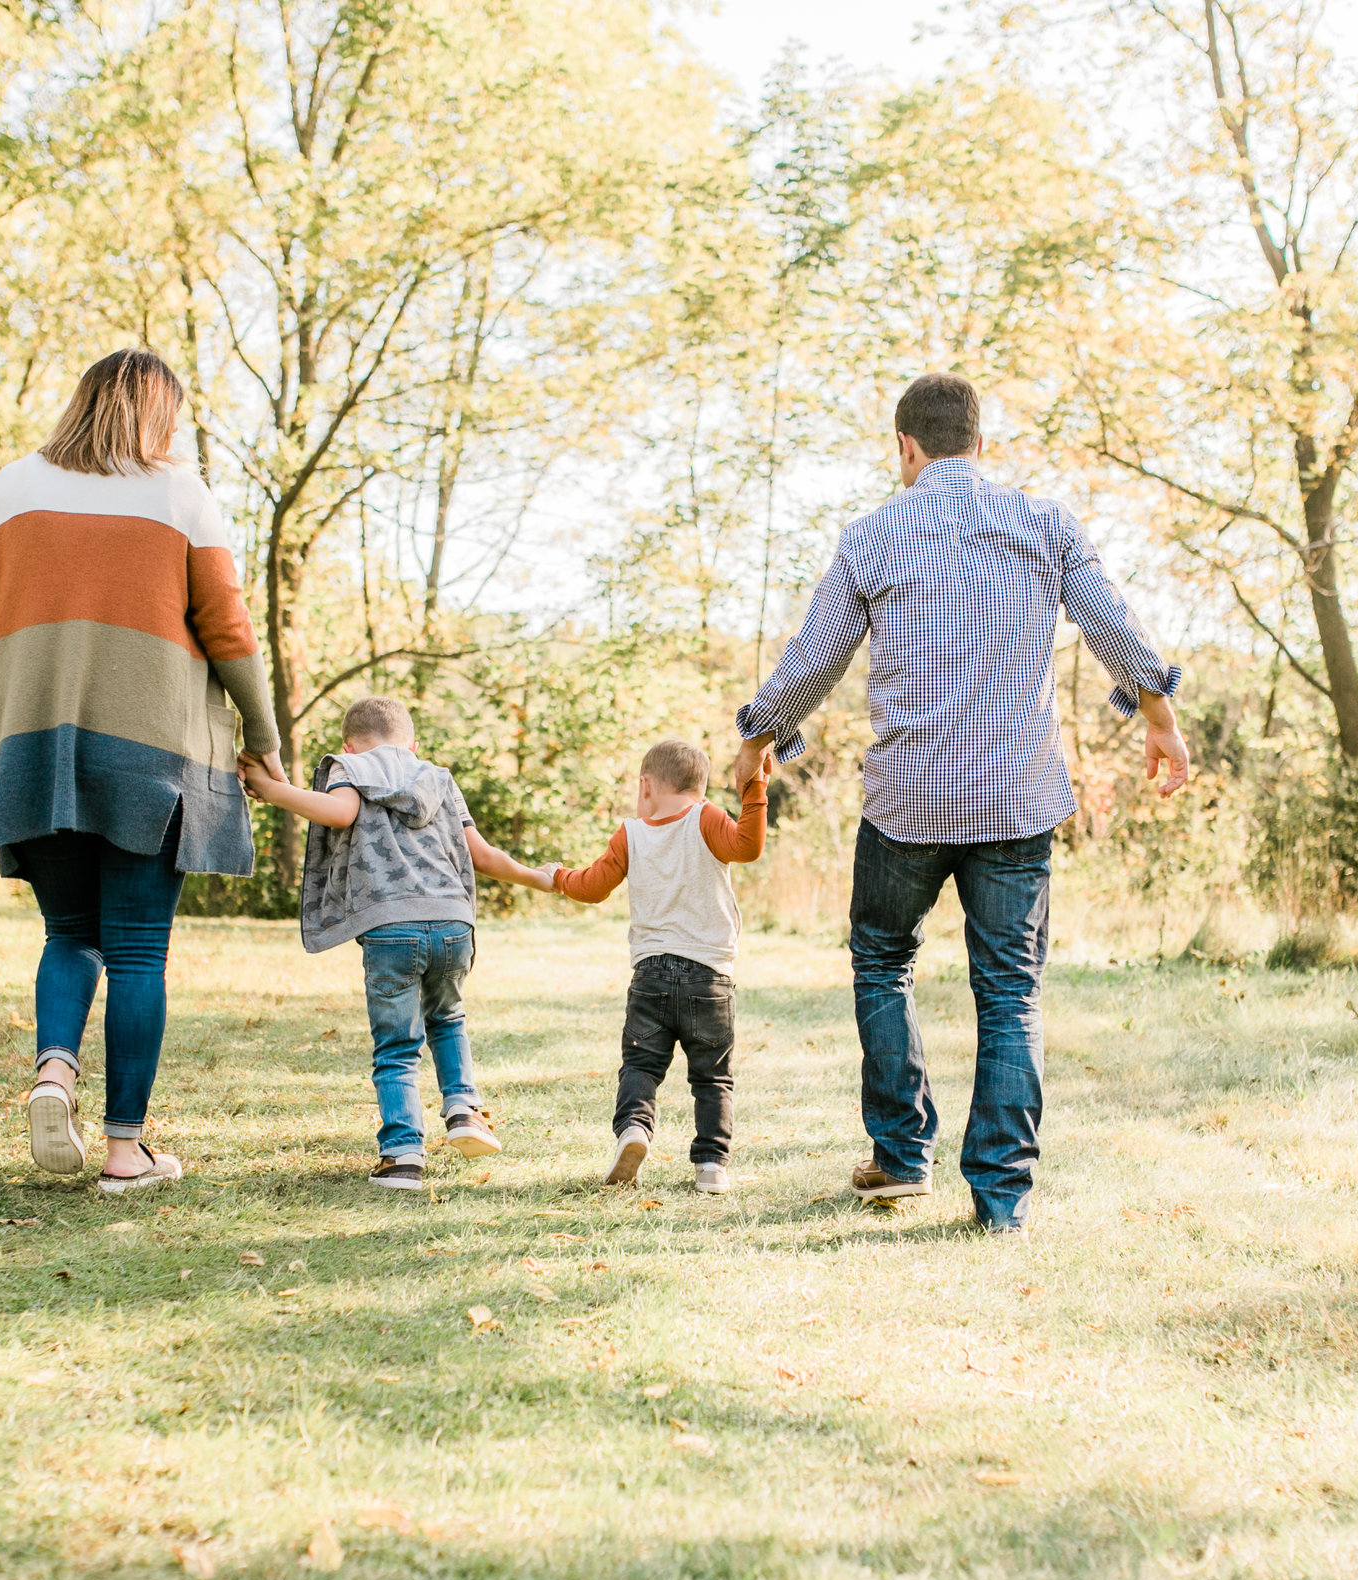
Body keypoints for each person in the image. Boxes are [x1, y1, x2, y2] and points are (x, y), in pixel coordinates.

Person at [733, 372, 1190, 1232]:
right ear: (981, 444)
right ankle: (1001, 1201)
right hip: (1016, 800)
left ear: (906, 448)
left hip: (907, 803)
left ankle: (902, 1158)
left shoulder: (872, 537)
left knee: (881, 959)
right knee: (1012, 992)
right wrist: (1158, 715)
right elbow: (1114, 625)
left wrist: (760, 734)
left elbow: (814, 660)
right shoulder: (1044, 525)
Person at [0, 348, 284, 1195]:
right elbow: (228, 630)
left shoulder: (7, 488)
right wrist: (261, 735)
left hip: (34, 750)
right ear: (159, 415)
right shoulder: (179, 495)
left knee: (67, 933)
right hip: (149, 754)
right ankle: (125, 1151)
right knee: (137, 951)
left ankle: (53, 1073)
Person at [240, 695, 555, 1190]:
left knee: (396, 1045)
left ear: (348, 744)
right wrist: (540, 878)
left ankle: (403, 1156)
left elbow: (340, 813)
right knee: (448, 1019)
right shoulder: (437, 776)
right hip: (453, 923)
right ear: (412, 744)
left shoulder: (349, 766)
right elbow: (484, 856)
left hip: (392, 926)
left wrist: (270, 789)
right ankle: (464, 1110)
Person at [549, 738, 769, 1195]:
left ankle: (633, 1128)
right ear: (700, 785)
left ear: (646, 785)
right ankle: (711, 1165)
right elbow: (747, 847)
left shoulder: (630, 833)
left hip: (649, 974)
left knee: (641, 1066)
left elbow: (591, 886)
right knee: (712, 1076)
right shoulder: (706, 817)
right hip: (709, 975)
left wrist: (558, 877)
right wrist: (756, 787)